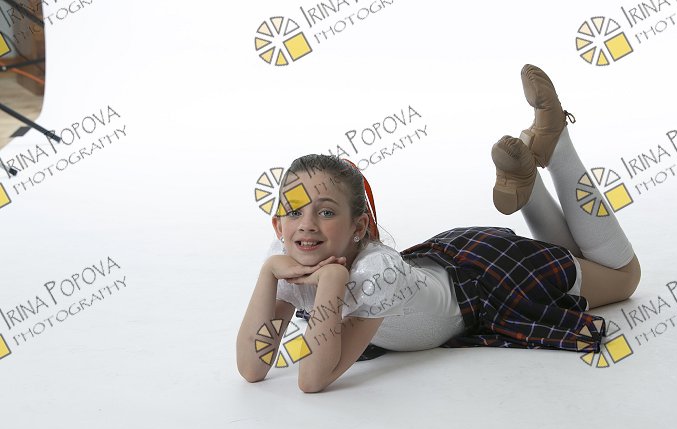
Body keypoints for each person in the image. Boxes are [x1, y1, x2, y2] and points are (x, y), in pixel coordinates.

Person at [236, 64, 641, 392]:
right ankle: (531, 180)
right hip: (445, 261)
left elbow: (312, 379)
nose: (306, 226)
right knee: (575, 261)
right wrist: (268, 273)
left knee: (624, 277)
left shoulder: (375, 274)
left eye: (325, 212)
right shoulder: (288, 260)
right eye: (293, 212)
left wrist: (332, 278)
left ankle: (557, 146)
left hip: (488, 279)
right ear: (277, 223)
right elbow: (253, 368)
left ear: (359, 226)